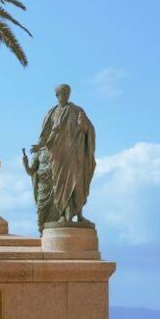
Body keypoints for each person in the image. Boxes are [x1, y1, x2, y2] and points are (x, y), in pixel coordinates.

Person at [31, 84, 96, 224]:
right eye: (62, 93)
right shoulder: (51, 114)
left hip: (74, 155)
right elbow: (44, 135)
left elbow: (88, 130)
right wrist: (39, 145)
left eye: (67, 93)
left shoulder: (77, 111)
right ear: (57, 95)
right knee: (61, 186)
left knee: (77, 183)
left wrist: (84, 125)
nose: (65, 95)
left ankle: (79, 214)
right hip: (58, 157)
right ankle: (62, 214)